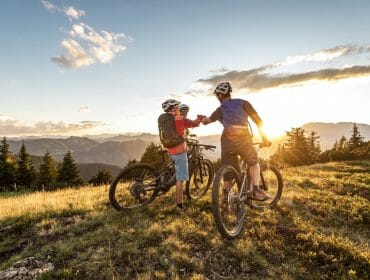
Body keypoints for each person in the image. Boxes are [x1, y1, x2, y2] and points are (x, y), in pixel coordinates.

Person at [201, 82, 271, 201]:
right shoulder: (243, 103)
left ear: (220, 95)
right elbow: (258, 121)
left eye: (217, 95)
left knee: (228, 169)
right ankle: (255, 191)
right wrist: (264, 137)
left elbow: (207, 121)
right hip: (243, 138)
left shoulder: (220, 109)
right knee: (254, 163)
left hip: (227, 141)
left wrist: (202, 119)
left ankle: (225, 198)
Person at [161, 99, 201, 213]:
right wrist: (200, 118)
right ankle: (179, 206)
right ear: (173, 109)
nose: (179, 109)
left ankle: (166, 182)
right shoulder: (180, 119)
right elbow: (194, 124)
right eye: (177, 107)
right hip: (179, 152)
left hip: (170, 150)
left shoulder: (165, 120)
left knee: (174, 168)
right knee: (180, 179)